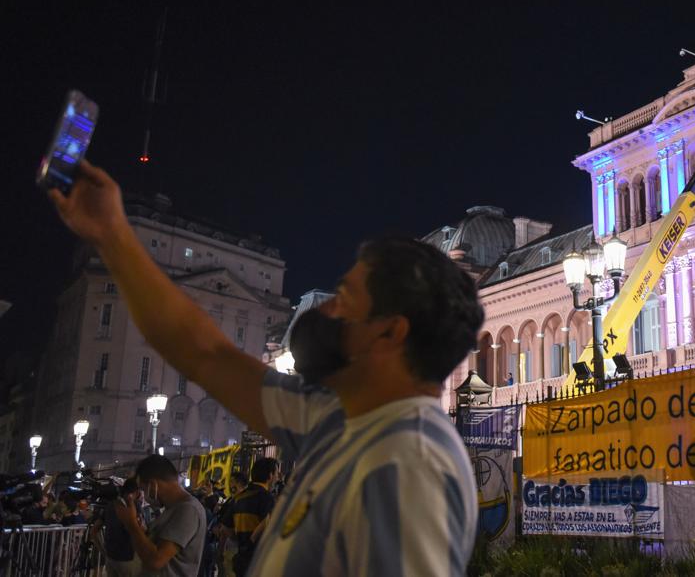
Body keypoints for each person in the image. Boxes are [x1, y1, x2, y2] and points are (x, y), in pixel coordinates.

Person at [49, 160, 482, 575]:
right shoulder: (337, 418)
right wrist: (113, 235)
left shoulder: (412, 466)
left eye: (344, 299)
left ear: (390, 333)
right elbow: (205, 353)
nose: (325, 311)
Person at [117, 454, 207, 576]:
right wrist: (142, 531)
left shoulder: (188, 509)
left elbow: (156, 561)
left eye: (143, 489)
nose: (142, 495)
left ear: (153, 485)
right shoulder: (172, 508)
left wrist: (131, 525)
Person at [220, 457, 278, 576]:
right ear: (270, 475)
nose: (278, 477)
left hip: (241, 560)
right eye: (276, 473)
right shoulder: (267, 498)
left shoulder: (238, 498)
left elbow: (226, 528)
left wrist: (242, 539)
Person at [93, 477, 143, 577]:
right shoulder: (134, 506)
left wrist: (103, 550)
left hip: (111, 558)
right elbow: (140, 530)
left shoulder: (110, 505)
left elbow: (94, 530)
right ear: (137, 492)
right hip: (128, 559)